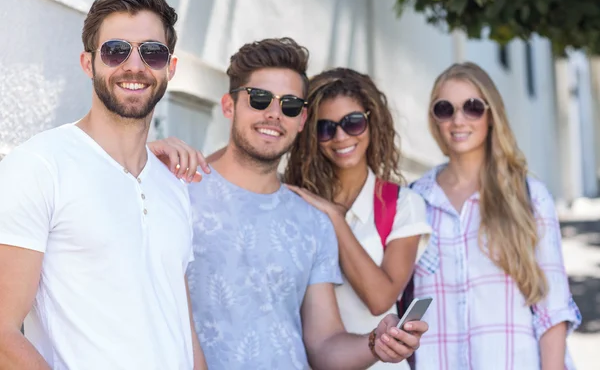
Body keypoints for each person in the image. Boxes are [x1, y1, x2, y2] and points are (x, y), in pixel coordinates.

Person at [166, 37, 428, 370]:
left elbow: (324, 343)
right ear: (229, 106)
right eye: (259, 99)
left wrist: (376, 342)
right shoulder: (174, 193)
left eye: (289, 105)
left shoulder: (313, 220)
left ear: (301, 120)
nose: (274, 114)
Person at [0, 0, 207, 370]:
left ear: (170, 68)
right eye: (115, 51)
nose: (134, 65)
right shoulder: (39, 167)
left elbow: (179, 324)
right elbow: (2, 333)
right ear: (88, 63)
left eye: (152, 52)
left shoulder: (173, 184)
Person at [409, 62, 581, 369]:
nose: (458, 119)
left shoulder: (529, 196)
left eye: (472, 107)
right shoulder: (413, 201)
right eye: (445, 109)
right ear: (435, 119)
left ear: (491, 115)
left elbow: (552, 309)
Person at [283, 67, 432, 370]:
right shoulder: (292, 200)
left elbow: (380, 298)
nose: (340, 137)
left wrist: (335, 219)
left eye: (353, 123)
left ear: (371, 121)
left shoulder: (403, 204)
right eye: (326, 127)